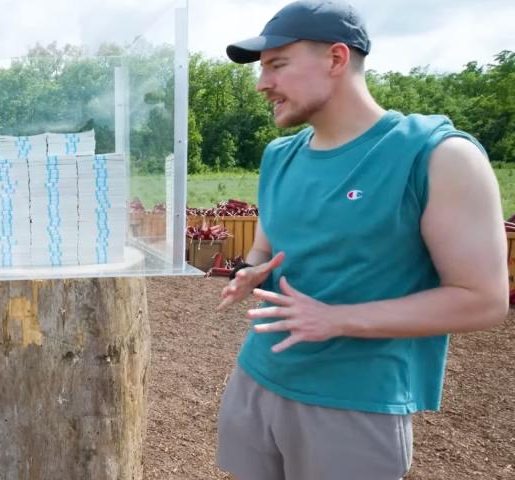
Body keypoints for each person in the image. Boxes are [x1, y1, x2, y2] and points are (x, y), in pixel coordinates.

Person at [214, 1, 508, 479]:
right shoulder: (279, 155)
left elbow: (484, 301)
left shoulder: (437, 155)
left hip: (353, 404)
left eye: (277, 65)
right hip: (255, 379)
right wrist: (251, 270)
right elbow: (264, 249)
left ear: (335, 59)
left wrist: (336, 319)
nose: (262, 83)